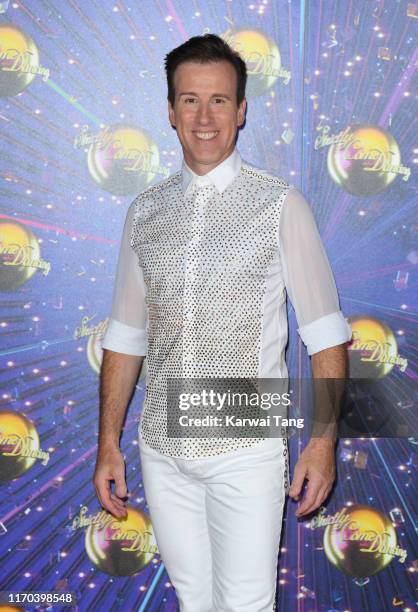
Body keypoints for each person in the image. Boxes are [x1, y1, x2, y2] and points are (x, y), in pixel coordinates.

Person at [93, 33, 352, 612]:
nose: (204, 116)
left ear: (240, 111)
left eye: (218, 100)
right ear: (170, 111)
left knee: (246, 605)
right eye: (190, 100)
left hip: (246, 446)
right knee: (192, 600)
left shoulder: (280, 204)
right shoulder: (146, 211)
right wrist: (108, 442)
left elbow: (325, 332)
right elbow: (127, 336)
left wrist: (322, 441)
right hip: (160, 447)